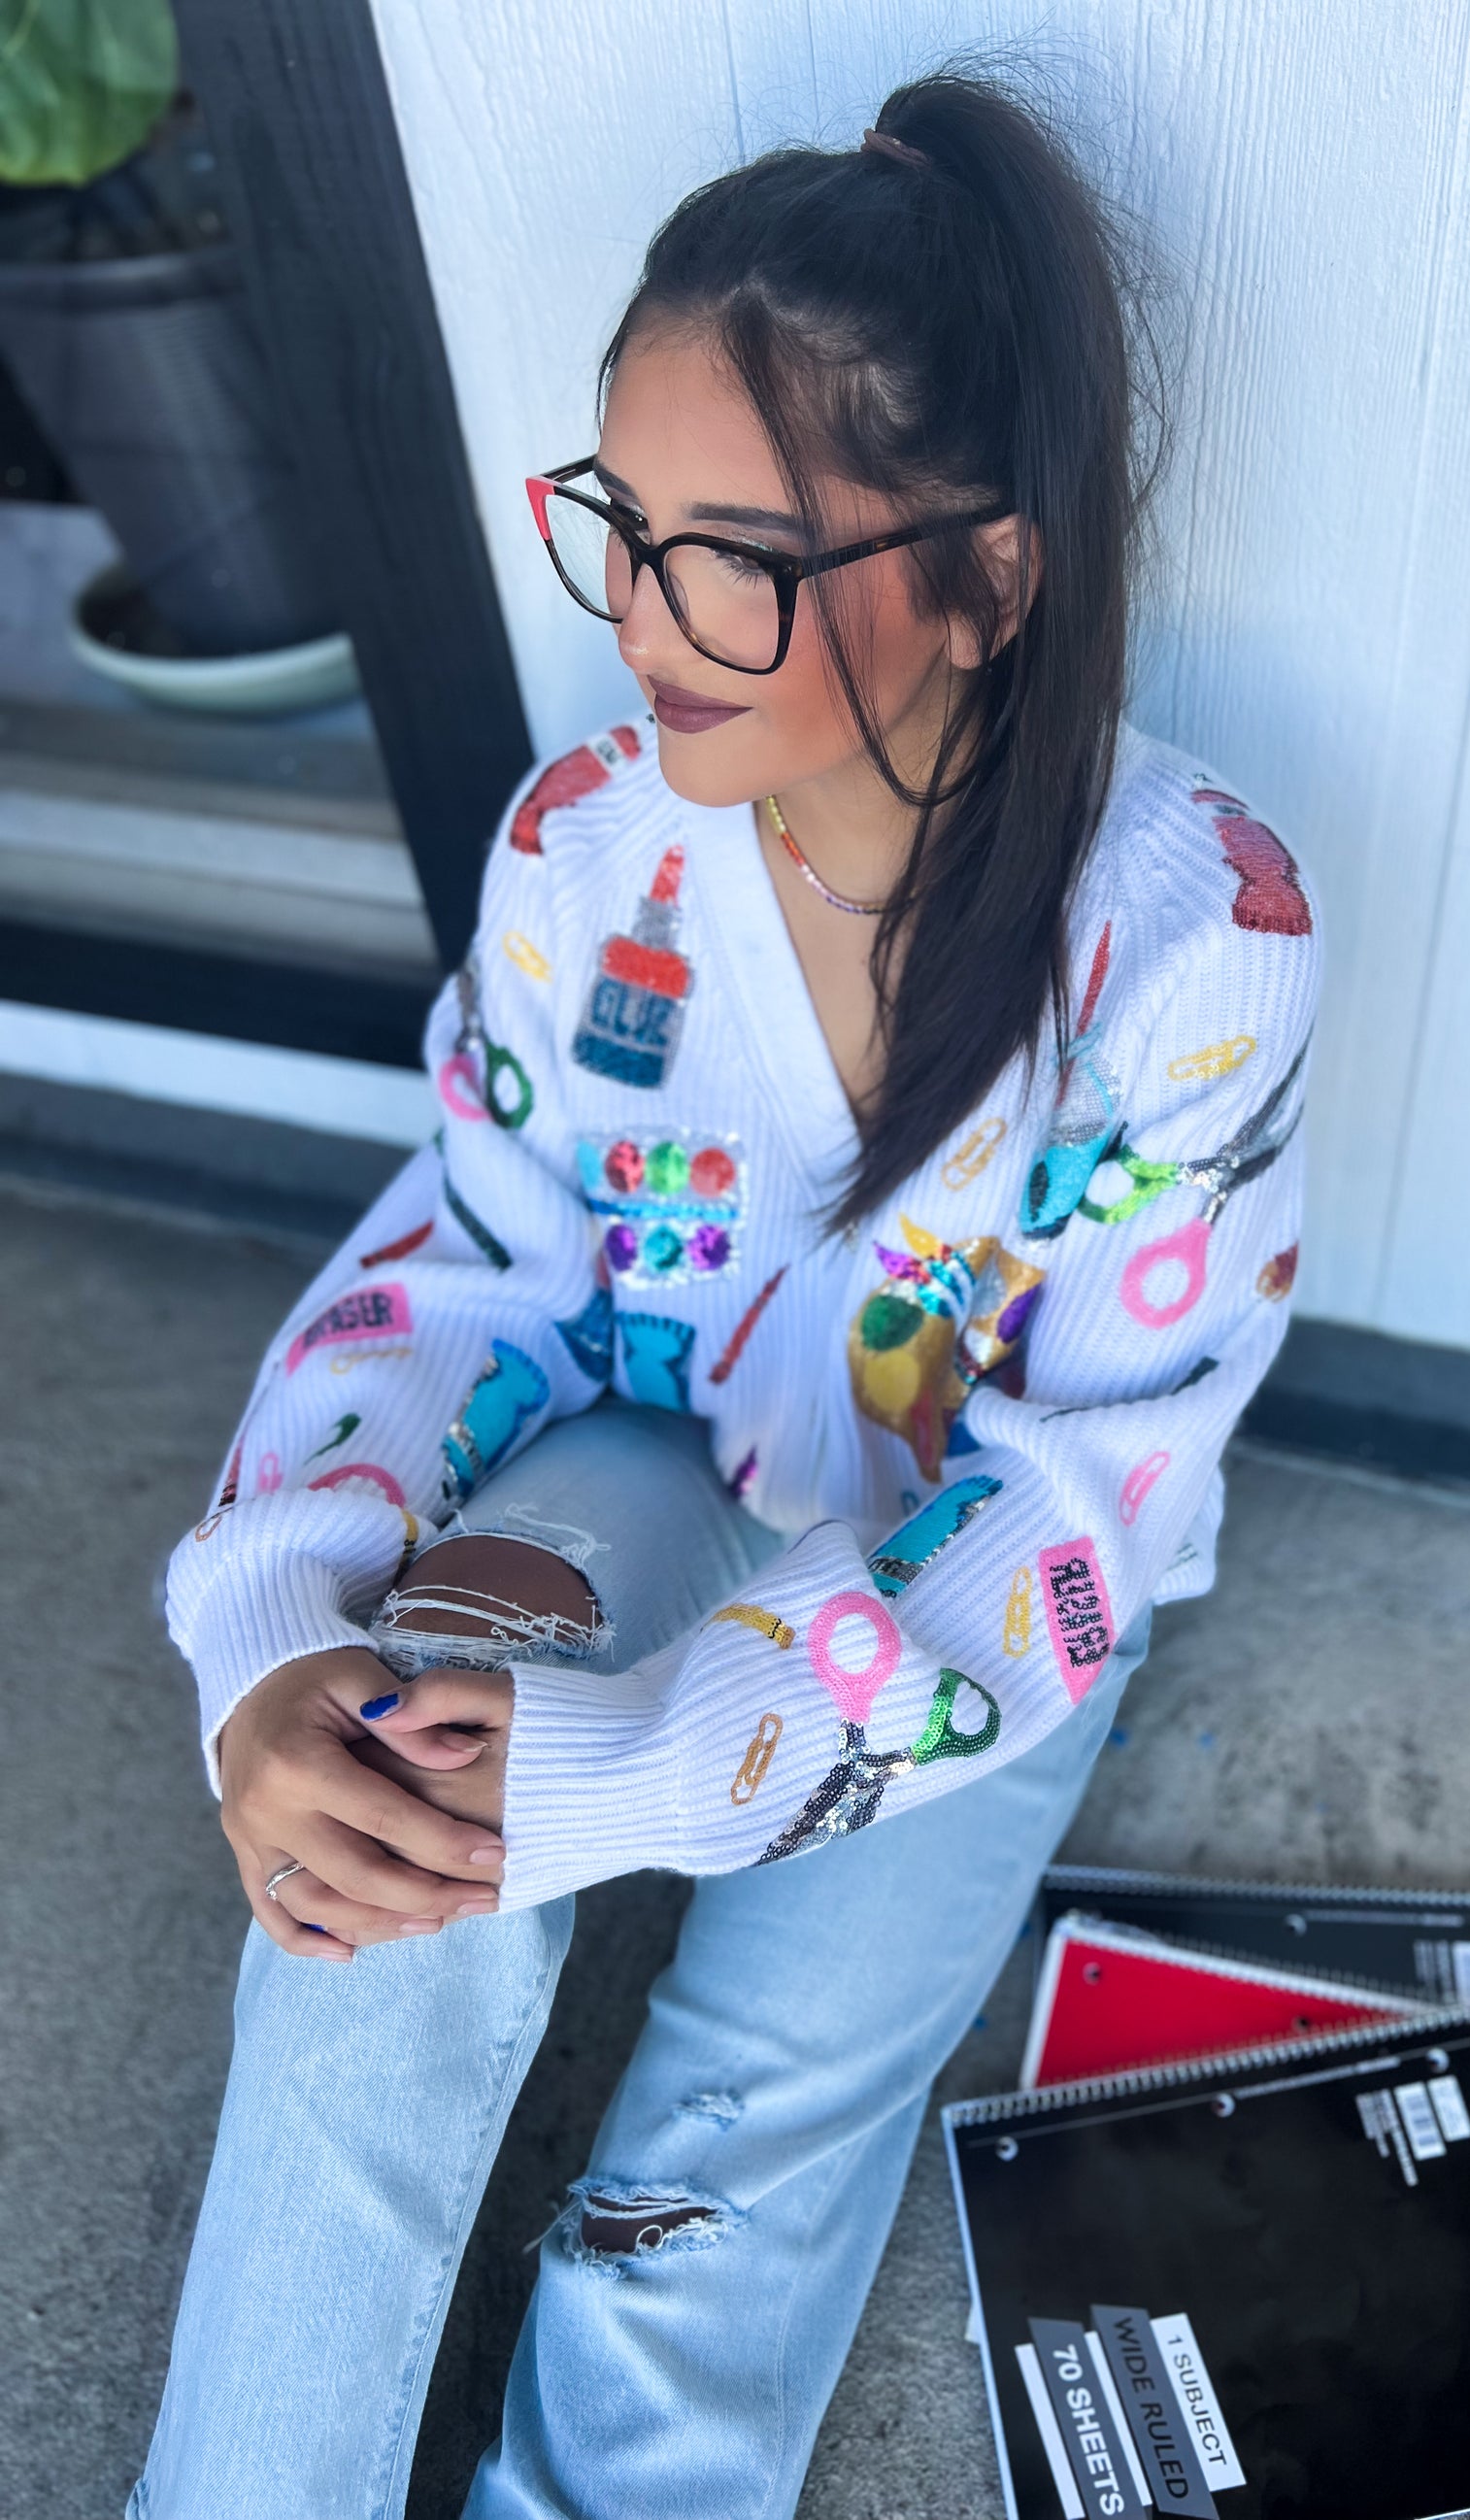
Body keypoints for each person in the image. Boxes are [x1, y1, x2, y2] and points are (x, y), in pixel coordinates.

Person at [132, 66, 1320, 2520]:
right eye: (624, 526)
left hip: (970, 1591)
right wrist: (272, 1638)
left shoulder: (1198, 936)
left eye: (737, 557)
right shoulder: (589, 849)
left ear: (990, 576)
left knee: (718, 2172)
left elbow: (1079, 1492)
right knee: (379, 1856)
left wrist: (667, 1762)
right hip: (629, 1458)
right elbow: (463, 1272)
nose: (651, 628)